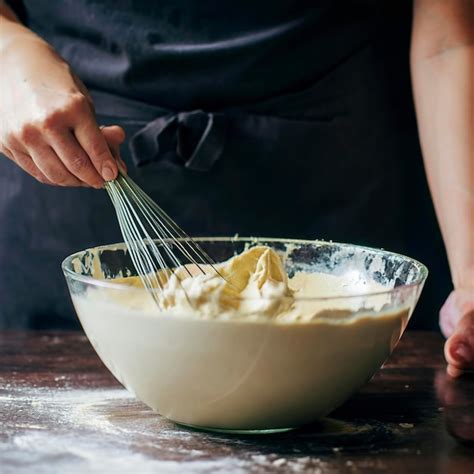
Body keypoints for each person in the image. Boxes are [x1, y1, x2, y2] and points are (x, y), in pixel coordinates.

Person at [0, 0, 472, 378]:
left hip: (334, 175)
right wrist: (7, 52)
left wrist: (471, 277)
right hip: (62, 176)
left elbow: (449, 40)